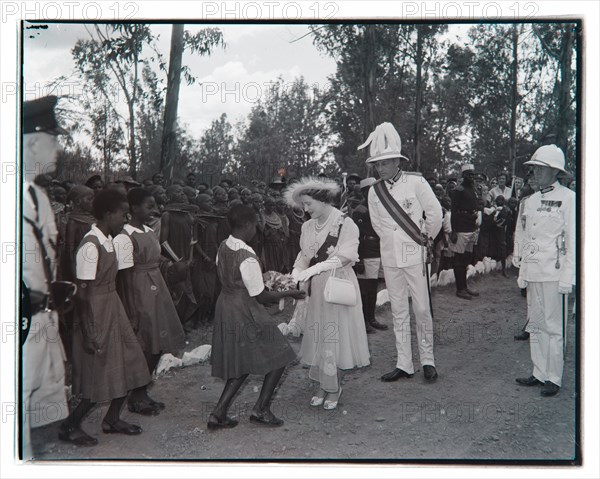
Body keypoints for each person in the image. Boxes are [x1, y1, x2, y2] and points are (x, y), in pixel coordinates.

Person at [61, 189, 151, 446]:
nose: (126, 218)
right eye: (123, 214)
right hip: (95, 313)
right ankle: (70, 426)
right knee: (98, 373)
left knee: (131, 361)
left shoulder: (109, 239)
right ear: (108, 214)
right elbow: (82, 294)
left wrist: (129, 312)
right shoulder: (90, 245)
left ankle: (112, 419)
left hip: (113, 307)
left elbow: (117, 280)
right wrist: (89, 332)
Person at [208, 205, 305, 429]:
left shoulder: (223, 246)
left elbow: (232, 277)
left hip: (226, 305)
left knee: (242, 360)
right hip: (245, 308)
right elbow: (261, 296)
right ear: (248, 225)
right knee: (280, 354)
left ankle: (218, 413)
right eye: (256, 224)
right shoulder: (247, 255)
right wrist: (291, 292)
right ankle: (261, 409)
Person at [359, 122, 442, 383]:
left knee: (421, 307)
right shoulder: (374, 191)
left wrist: (425, 238)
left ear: (396, 161)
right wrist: (392, 244)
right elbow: (378, 225)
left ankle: (427, 360)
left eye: (384, 163)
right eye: (377, 164)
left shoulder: (416, 182)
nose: (380, 168)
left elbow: (436, 214)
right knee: (398, 310)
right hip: (390, 256)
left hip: (414, 253)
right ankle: (404, 363)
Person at [285, 177, 370, 409]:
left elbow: (345, 256)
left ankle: (334, 388)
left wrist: (314, 269)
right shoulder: (307, 226)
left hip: (337, 286)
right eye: (303, 205)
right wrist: (296, 272)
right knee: (320, 335)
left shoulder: (345, 223)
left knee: (336, 337)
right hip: (316, 289)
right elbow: (304, 255)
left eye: (309, 204)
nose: (305, 209)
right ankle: (323, 385)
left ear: (323, 200)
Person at [21, 95, 69, 459]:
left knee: (37, 407)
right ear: (32, 141)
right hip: (21, 321)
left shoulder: (36, 195)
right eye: (53, 141)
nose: (58, 149)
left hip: (43, 318)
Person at [114, 188, 186, 415]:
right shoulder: (124, 237)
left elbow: (157, 259)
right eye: (149, 206)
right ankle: (135, 396)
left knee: (158, 343)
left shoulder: (148, 230)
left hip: (156, 289)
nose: (154, 210)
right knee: (144, 345)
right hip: (138, 293)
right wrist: (131, 309)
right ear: (134, 208)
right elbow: (123, 277)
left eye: (155, 206)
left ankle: (142, 391)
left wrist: (173, 267)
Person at [513, 145, 575, 397]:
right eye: (534, 168)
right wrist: (522, 270)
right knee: (536, 325)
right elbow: (526, 235)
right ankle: (539, 371)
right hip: (534, 272)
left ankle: (554, 376)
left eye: (540, 168)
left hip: (554, 273)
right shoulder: (531, 200)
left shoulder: (569, 198)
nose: (534, 173)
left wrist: (568, 277)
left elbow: (572, 240)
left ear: (554, 172)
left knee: (554, 327)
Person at [352, 177, 388, 334]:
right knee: (364, 290)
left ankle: (371, 318)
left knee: (373, 288)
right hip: (366, 251)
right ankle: (363, 321)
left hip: (379, 249)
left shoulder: (379, 208)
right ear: (364, 192)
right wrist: (358, 259)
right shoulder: (360, 210)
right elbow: (356, 237)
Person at [449, 164, 481, 300]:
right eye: (468, 174)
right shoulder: (458, 190)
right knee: (459, 259)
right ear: (463, 176)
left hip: (471, 227)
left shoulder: (473, 189)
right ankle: (459, 289)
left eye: (472, 174)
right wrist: (454, 230)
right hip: (461, 228)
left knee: (467, 258)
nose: (471, 177)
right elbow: (454, 211)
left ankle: (465, 286)